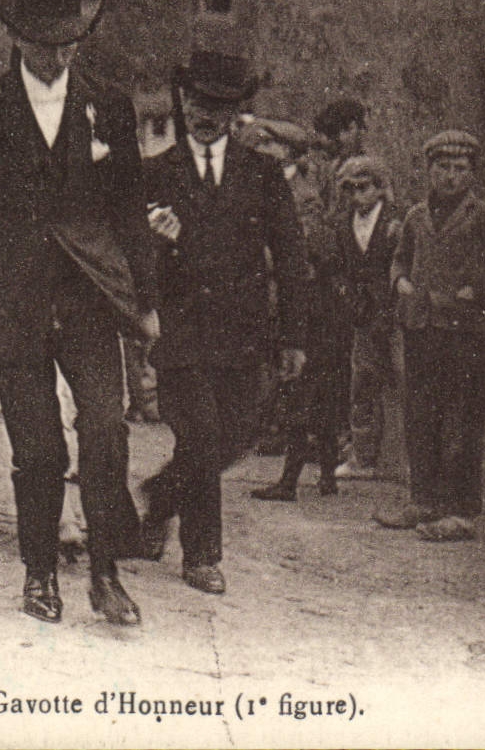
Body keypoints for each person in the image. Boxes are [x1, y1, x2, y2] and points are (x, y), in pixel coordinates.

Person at [0, 0, 159, 627]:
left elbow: (129, 208)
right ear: (16, 37)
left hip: (89, 298)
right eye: (43, 43)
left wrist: (145, 299)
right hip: (13, 303)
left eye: (69, 42)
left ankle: (105, 573)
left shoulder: (107, 105)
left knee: (106, 429)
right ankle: (39, 573)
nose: (58, 55)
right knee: (38, 450)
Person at [139, 49, 308, 595]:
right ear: (183, 101)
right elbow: (128, 256)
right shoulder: (155, 173)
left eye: (217, 105)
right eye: (195, 102)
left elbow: (291, 256)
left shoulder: (262, 174)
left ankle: (161, 499)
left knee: (235, 437)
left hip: (243, 334)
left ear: (235, 111)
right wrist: (152, 242)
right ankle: (202, 555)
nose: (203, 114)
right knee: (201, 434)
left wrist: (294, 337)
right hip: (180, 332)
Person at [375, 130, 485, 542]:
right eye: (442, 167)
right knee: (420, 416)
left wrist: (482, 288)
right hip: (420, 327)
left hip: (464, 332)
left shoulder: (484, 216)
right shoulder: (415, 216)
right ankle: (423, 500)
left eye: (460, 168)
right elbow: (399, 259)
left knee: (461, 419)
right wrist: (400, 281)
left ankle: (461, 512)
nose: (450, 176)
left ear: (472, 174)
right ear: (428, 170)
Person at [250, 120, 351, 501]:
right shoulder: (272, 187)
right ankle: (325, 476)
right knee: (312, 389)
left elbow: (314, 251)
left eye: (265, 146)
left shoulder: (302, 194)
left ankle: (291, 481)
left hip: (309, 304)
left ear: (286, 152)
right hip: (290, 300)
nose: (258, 152)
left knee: (300, 387)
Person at [332, 155, 406, 482]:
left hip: (395, 314)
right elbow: (338, 266)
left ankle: (414, 462)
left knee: (405, 382)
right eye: (350, 189)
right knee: (362, 384)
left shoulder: (397, 221)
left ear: (379, 188)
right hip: (362, 314)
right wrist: (347, 295)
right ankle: (362, 458)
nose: (357, 196)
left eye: (364, 188)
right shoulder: (343, 223)